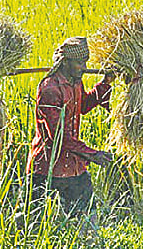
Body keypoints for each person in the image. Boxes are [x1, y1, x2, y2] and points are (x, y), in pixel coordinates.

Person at [26, 36, 114, 215]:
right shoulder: (50, 89)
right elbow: (59, 136)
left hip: (73, 165)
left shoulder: (75, 82)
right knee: (33, 219)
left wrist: (106, 83)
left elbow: (83, 106)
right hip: (47, 167)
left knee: (86, 217)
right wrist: (92, 154)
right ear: (65, 62)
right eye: (80, 63)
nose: (85, 68)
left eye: (85, 62)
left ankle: (86, 234)